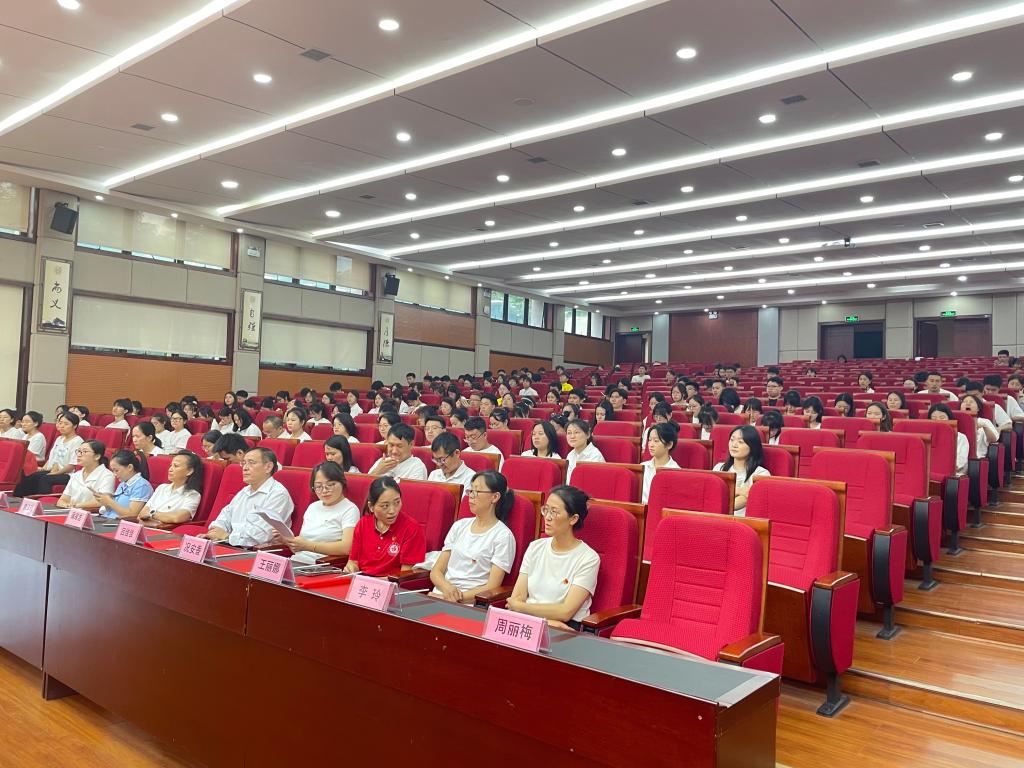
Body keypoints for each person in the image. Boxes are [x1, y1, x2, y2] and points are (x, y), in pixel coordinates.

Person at [507, 485, 600, 631]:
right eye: (546, 510)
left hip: (565, 629)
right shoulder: (535, 547)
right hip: (531, 623)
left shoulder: (588, 558)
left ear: (573, 519)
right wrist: (547, 621)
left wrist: (522, 608)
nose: (547, 517)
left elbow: (565, 612)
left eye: (554, 512)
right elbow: (517, 598)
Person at [430, 470, 516, 603]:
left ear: (495, 497)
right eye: (471, 491)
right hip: (441, 595)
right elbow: (436, 571)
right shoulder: (459, 526)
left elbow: (492, 586)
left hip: (469, 603)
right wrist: (446, 589)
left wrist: (456, 598)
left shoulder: (503, 536)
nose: (471, 496)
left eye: (477, 491)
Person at [203, 447, 293, 547]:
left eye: (251, 463)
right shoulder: (244, 491)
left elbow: (261, 535)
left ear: (268, 467)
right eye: (244, 463)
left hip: (255, 551)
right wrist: (215, 532)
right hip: (231, 544)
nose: (245, 468)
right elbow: (225, 517)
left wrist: (227, 537)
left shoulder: (278, 494)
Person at [272, 462, 360, 560]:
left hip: (322, 563)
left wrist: (308, 546)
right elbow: (300, 547)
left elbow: (346, 548)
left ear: (342, 482)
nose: (324, 491)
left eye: (330, 485)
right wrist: (287, 541)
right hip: (299, 560)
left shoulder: (350, 509)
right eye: (318, 486)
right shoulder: (313, 507)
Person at [345, 477, 426, 576]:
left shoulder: (412, 529)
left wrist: (374, 582)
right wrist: (351, 568)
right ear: (371, 507)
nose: (392, 511)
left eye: (397, 502)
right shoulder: (363, 524)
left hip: (391, 583)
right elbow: (353, 561)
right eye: (385, 506)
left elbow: (405, 575)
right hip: (363, 580)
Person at [15, 411, 83, 497]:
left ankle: (44, 501)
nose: (62, 426)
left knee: (44, 478)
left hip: (67, 474)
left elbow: (72, 465)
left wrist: (56, 473)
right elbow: (52, 458)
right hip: (53, 470)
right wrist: (43, 469)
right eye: (60, 423)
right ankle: (19, 498)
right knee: (29, 474)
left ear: (75, 426)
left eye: (66, 424)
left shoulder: (77, 441)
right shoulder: (59, 439)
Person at [713, 425, 770, 514]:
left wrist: (724, 495)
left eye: (740, 442)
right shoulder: (719, 468)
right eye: (732, 440)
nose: (734, 445)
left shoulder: (761, 474)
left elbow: (742, 501)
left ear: (752, 446)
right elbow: (712, 495)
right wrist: (740, 490)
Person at [138, 451, 205, 527]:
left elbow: (177, 518)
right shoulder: (162, 488)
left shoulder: (192, 495)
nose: (170, 469)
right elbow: (142, 514)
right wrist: (158, 521)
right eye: (171, 465)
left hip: (166, 531)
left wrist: (151, 514)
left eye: (176, 466)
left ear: (189, 471)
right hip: (146, 528)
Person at [94, 450, 154, 520]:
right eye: (113, 471)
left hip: (118, 523)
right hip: (108, 519)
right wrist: (104, 502)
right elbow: (113, 509)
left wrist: (109, 501)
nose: (114, 474)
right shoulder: (123, 484)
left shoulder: (142, 486)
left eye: (116, 470)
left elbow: (132, 514)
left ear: (130, 467)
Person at [55, 440, 115, 510]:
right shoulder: (76, 475)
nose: (79, 455)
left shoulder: (107, 476)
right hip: (72, 512)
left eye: (84, 451)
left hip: (92, 514)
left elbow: (102, 502)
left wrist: (76, 506)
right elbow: (62, 500)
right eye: (79, 451)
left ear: (97, 456)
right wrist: (68, 506)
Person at [642, 422, 680, 504]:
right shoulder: (642, 467)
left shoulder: (676, 471)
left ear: (669, 445)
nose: (651, 445)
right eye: (649, 440)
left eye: (656, 441)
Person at [929, 403, 970, 474]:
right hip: (930, 472)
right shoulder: (927, 437)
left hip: (953, 474)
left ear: (949, 419)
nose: (938, 421)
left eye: (942, 418)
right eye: (934, 418)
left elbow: (960, 463)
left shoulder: (960, 437)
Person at [960, 394, 1000, 461]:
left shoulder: (984, 421)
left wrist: (984, 426)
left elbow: (994, 440)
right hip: (958, 457)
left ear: (978, 408)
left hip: (976, 459)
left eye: (971, 402)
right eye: (964, 402)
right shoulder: (955, 421)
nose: (967, 404)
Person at [564, 419, 604, 484]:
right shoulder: (570, 455)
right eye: (569, 433)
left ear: (588, 435)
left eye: (576, 432)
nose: (572, 436)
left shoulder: (595, 456)